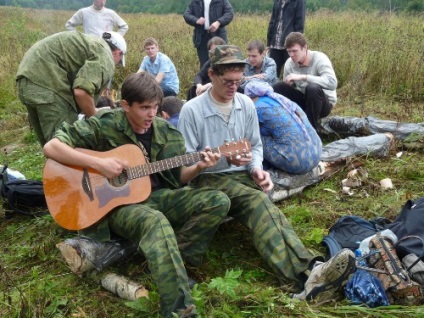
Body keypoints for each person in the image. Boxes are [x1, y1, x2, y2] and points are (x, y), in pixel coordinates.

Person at [43, 72, 231, 318]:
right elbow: (51, 147)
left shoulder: (166, 131)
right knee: (153, 220)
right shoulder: (104, 123)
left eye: (155, 107)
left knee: (218, 201)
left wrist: (198, 166)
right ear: (125, 105)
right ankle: (179, 310)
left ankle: (176, 264)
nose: (151, 114)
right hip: (112, 206)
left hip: (153, 197)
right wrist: (98, 165)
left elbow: (177, 178)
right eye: (144, 108)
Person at [178, 45, 355, 302]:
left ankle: (313, 270)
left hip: (239, 175)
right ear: (212, 75)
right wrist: (203, 165)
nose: (233, 88)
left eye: (238, 82)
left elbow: (256, 145)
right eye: (228, 82)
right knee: (259, 203)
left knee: (271, 212)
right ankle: (303, 276)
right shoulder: (192, 110)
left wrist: (257, 169)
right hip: (207, 179)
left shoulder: (246, 105)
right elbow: (184, 172)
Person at [16, 30, 127, 146]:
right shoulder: (106, 55)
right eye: (119, 62)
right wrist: (95, 116)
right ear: (118, 53)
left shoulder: (90, 44)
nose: (116, 65)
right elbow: (81, 92)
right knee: (66, 142)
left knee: (51, 146)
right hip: (47, 83)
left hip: (26, 79)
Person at [244, 81, 322, 174]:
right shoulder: (282, 99)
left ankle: (261, 166)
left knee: (251, 134)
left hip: (298, 164)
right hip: (317, 153)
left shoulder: (256, 108)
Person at [273, 32, 337, 131]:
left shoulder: (320, 58)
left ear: (305, 48)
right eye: (289, 51)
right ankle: (283, 126)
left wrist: (303, 77)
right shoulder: (289, 63)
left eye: (295, 51)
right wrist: (291, 85)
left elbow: (332, 83)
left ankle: (311, 131)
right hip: (304, 101)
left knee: (312, 87)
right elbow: (290, 88)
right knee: (278, 86)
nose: (291, 55)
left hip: (323, 103)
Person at [183, 0, 234, 68]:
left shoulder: (222, 1)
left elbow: (229, 13)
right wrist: (196, 20)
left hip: (218, 37)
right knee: (205, 65)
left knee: (221, 63)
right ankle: (205, 78)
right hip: (202, 37)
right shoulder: (195, 1)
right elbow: (186, 14)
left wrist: (218, 22)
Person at [267, 0, 306, 78]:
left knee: (292, 72)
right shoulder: (277, 1)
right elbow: (272, 21)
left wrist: (297, 43)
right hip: (275, 44)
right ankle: (273, 89)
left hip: (290, 45)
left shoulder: (299, 1)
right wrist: (269, 43)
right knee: (272, 74)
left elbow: (299, 23)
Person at [186, 36, 226, 101]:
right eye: (212, 51)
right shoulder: (210, 62)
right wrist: (199, 86)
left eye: (216, 51)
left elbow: (225, 79)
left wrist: (206, 86)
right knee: (193, 89)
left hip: (220, 87)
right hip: (205, 87)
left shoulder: (227, 62)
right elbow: (199, 76)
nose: (214, 53)